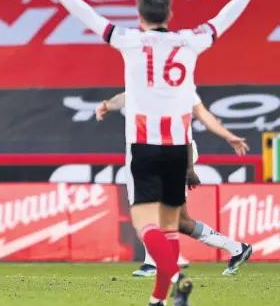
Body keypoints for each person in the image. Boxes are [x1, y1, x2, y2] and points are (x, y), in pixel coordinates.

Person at [31, 0, 271, 306]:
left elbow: (88, 15)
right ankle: (161, 302)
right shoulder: (192, 41)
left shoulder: (130, 41)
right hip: (179, 149)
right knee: (172, 227)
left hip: (144, 148)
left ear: (139, 16)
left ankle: (174, 278)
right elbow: (224, 19)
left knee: (146, 226)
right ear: (170, 15)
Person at [96, 91, 252, 276]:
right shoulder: (143, 82)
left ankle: (153, 263)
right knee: (181, 221)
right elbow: (127, 95)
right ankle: (236, 248)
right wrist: (107, 105)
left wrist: (189, 169)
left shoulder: (177, 89)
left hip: (173, 154)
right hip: (145, 155)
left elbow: (184, 131)